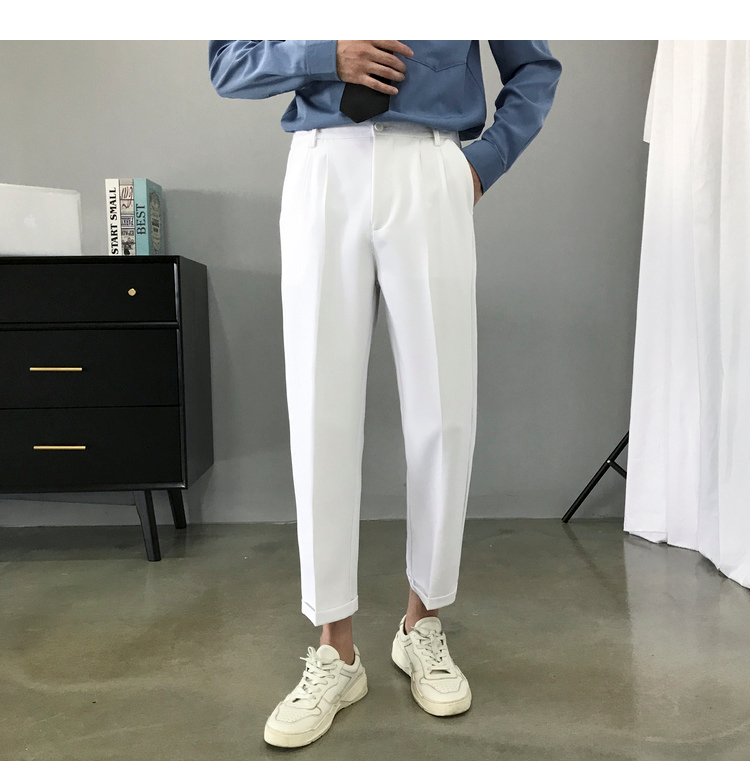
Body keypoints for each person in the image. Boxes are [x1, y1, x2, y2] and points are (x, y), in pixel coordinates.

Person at [208, 39, 562, 748]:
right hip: (323, 164)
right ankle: (334, 650)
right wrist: (325, 56)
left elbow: (535, 67)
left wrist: (483, 162)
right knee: (320, 411)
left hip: (431, 165)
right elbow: (228, 62)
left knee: (444, 411)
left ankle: (421, 623)